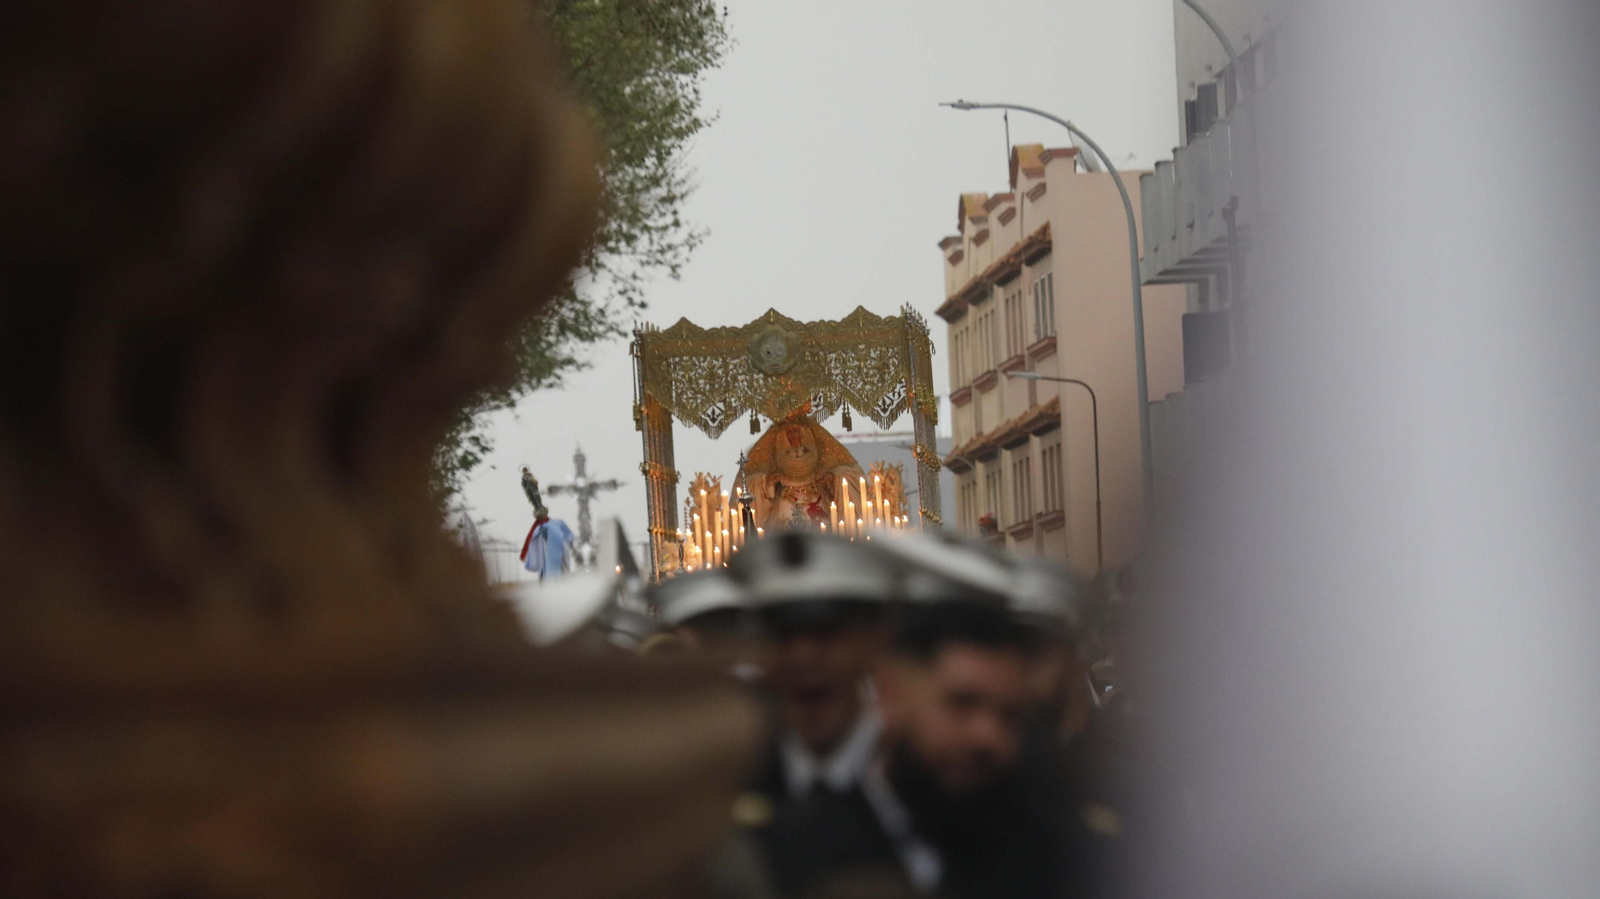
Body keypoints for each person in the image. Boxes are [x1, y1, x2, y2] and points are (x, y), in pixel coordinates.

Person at [758, 595, 1064, 899]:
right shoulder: (790, 852)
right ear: (889, 694)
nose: (987, 737)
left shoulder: (1053, 855)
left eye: (1010, 716)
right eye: (961, 703)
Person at [727, 532, 897, 819]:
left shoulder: (917, 776)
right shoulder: (731, 785)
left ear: (873, 644)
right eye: (783, 637)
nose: (802, 658)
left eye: (826, 634)